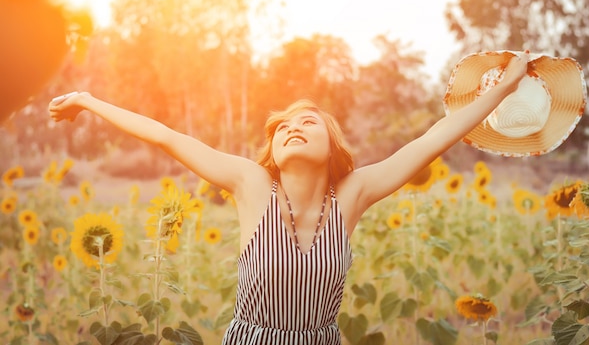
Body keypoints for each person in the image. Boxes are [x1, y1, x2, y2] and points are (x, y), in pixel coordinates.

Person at [48, 52, 529, 344]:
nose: (293, 128)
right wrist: (89, 101)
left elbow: (432, 139)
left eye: (308, 122)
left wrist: (503, 89)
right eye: (283, 127)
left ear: (332, 147)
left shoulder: (352, 195)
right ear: (273, 150)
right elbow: (167, 137)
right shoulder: (251, 184)